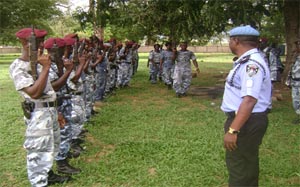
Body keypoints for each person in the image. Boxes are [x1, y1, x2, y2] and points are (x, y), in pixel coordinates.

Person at [9, 28, 71, 186]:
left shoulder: (37, 64)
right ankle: (39, 182)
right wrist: (45, 68)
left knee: (51, 146)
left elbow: (48, 91)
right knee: (38, 151)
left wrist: (55, 112)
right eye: (38, 42)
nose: (43, 45)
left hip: (48, 112)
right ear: (25, 43)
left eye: (43, 41)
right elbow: (34, 93)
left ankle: (48, 174)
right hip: (37, 115)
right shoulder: (19, 67)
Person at [221, 25, 272, 187]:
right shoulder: (249, 60)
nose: (229, 43)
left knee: (239, 166)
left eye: (230, 40)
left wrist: (233, 130)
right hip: (248, 120)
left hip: (245, 122)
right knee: (247, 163)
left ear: (236, 41)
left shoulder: (252, 65)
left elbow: (249, 100)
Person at [289, 39, 300, 124]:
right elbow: (292, 69)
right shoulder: (296, 56)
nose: (298, 46)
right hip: (295, 82)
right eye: (297, 45)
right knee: (296, 101)